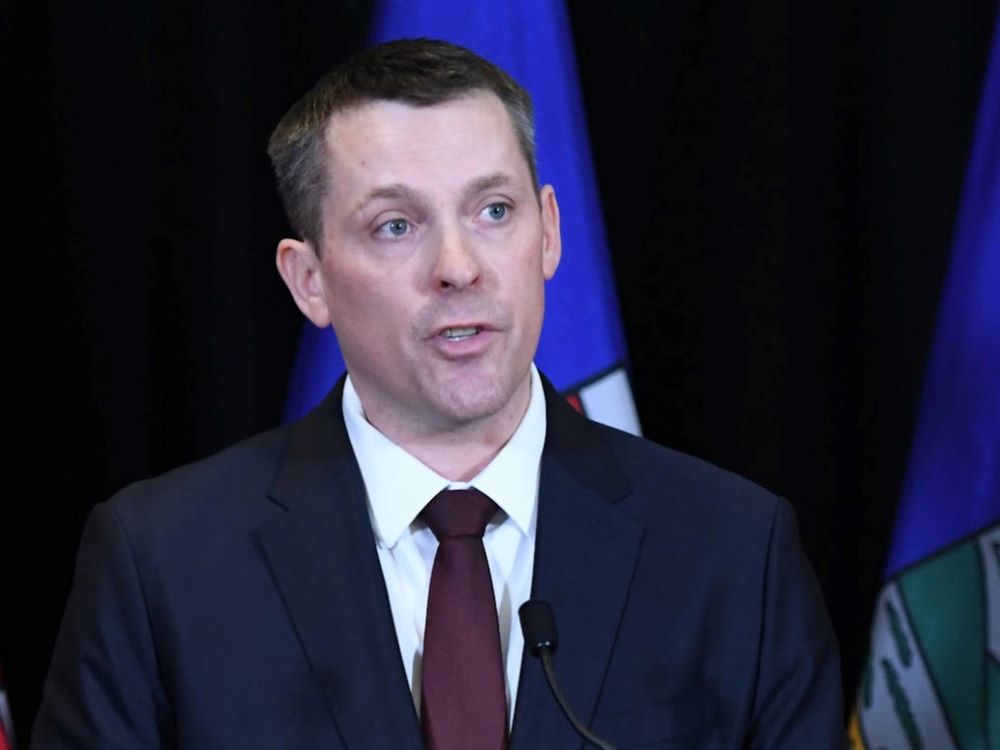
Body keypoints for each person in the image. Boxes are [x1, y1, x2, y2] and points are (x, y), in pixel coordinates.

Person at [32, 38, 846, 749]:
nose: (459, 266)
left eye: (494, 210)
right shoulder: (160, 565)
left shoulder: (736, 553)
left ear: (549, 232)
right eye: (397, 225)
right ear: (308, 279)